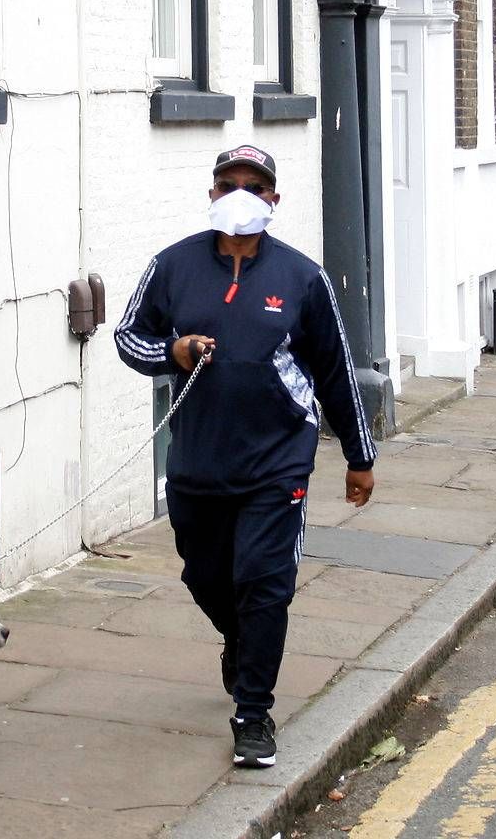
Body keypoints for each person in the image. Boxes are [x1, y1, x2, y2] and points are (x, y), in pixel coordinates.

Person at [114, 144, 377, 770]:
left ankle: (253, 714)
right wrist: (171, 354)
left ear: (273, 202)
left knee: (264, 585)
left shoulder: (300, 277)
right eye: (227, 183)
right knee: (205, 577)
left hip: (277, 463)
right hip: (198, 462)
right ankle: (238, 640)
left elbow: (336, 369)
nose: (239, 194)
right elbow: (129, 336)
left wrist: (358, 455)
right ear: (210, 194)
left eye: (254, 187)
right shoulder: (173, 266)